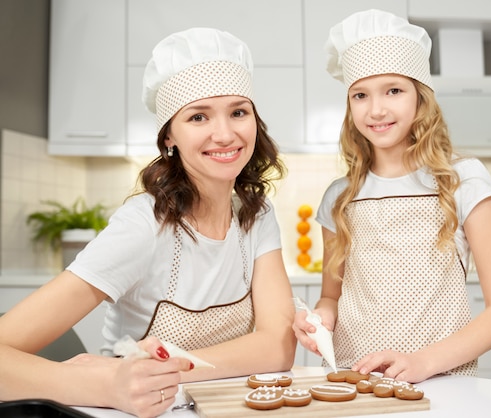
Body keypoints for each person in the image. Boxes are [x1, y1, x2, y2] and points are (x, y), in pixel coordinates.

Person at [0, 27, 296, 417]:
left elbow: (277, 346)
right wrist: (107, 382)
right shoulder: (144, 225)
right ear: (169, 137)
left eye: (239, 112)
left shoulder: (256, 214)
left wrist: (165, 371)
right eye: (198, 116)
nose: (225, 133)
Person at [293, 9, 491, 383]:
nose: (376, 109)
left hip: (441, 380)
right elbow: (331, 296)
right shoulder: (339, 197)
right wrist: (320, 320)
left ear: (421, 97)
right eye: (360, 95)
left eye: (394, 90)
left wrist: (423, 363)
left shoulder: (462, 180)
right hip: (354, 380)